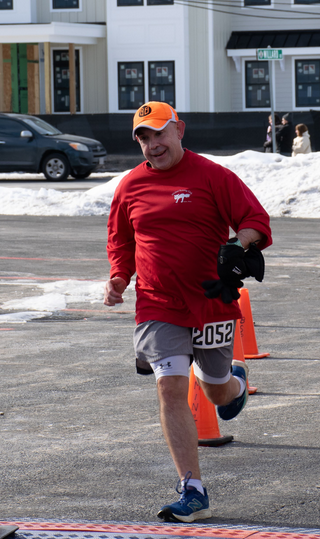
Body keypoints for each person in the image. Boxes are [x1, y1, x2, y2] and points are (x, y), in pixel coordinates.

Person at [104, 102, 272, 523]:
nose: (152, 144)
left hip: (212, 300)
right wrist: (118, 277)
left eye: (159, 133)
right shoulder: (130, 186)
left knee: (216, 392)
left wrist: (239, 245)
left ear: (179, 130)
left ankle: (233, 383)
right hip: (157, 303)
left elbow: (255, 220)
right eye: (143, 138)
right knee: (170, 388)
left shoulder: (213, 176)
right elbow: (121, 240)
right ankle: (192, 488)